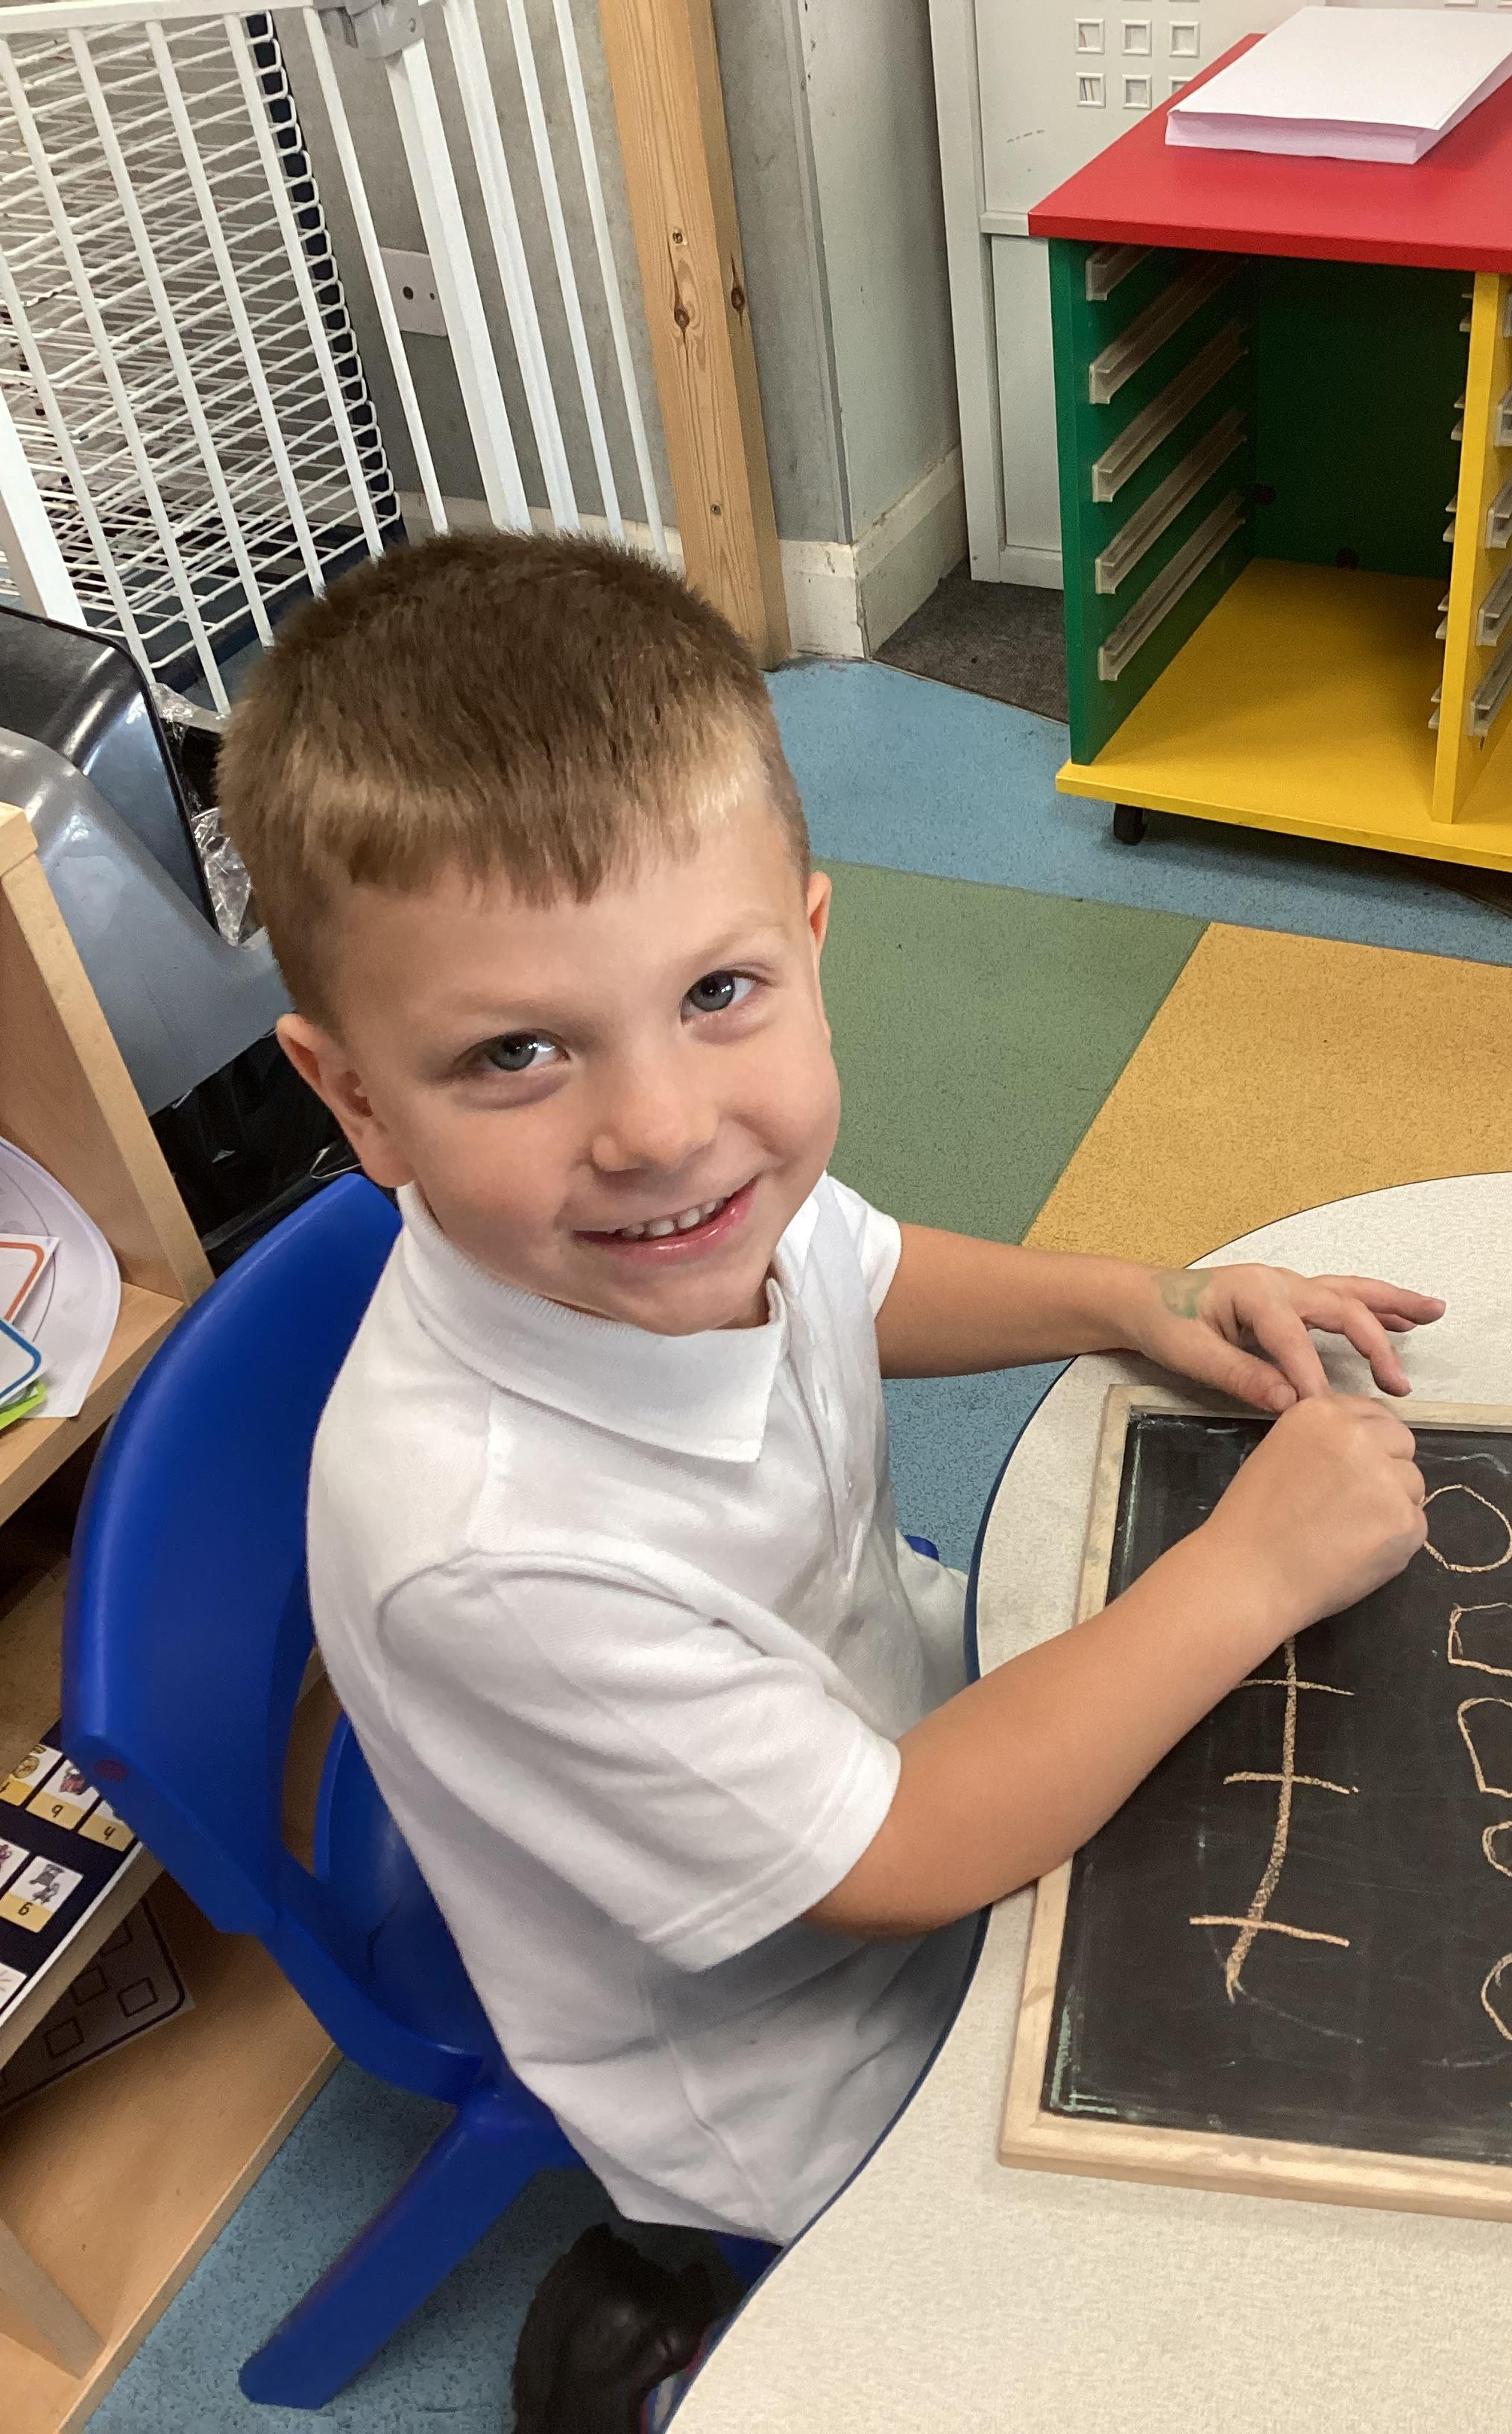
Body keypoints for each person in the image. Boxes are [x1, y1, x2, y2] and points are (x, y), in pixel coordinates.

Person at [218, 532, 1439, 2428]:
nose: (659, 1127)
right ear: (355, 1098)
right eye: (518, 1053)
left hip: (902, 1719)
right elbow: (894, 1866)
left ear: (808, 942)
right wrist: (1250, 1571)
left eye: (717, 992)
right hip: (802, 2049)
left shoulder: (685, 1215)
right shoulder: (487, 1551)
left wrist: (1139, 1297)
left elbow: (859, 1272)